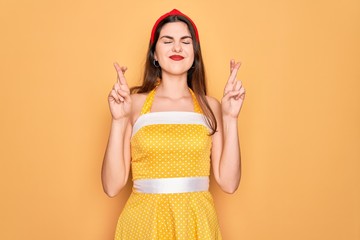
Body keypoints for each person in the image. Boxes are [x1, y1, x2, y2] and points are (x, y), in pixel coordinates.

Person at [101, 9, 246, 240]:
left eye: (185, 41)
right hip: (143, 224)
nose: (177, 48)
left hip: (196, 223)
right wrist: (118, 121)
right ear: (155, 55)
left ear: (194, 54)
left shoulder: (210, 106)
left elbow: (228, 183)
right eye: (167, 41)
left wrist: (231, 118)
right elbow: (111, 187)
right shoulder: (133, 104)